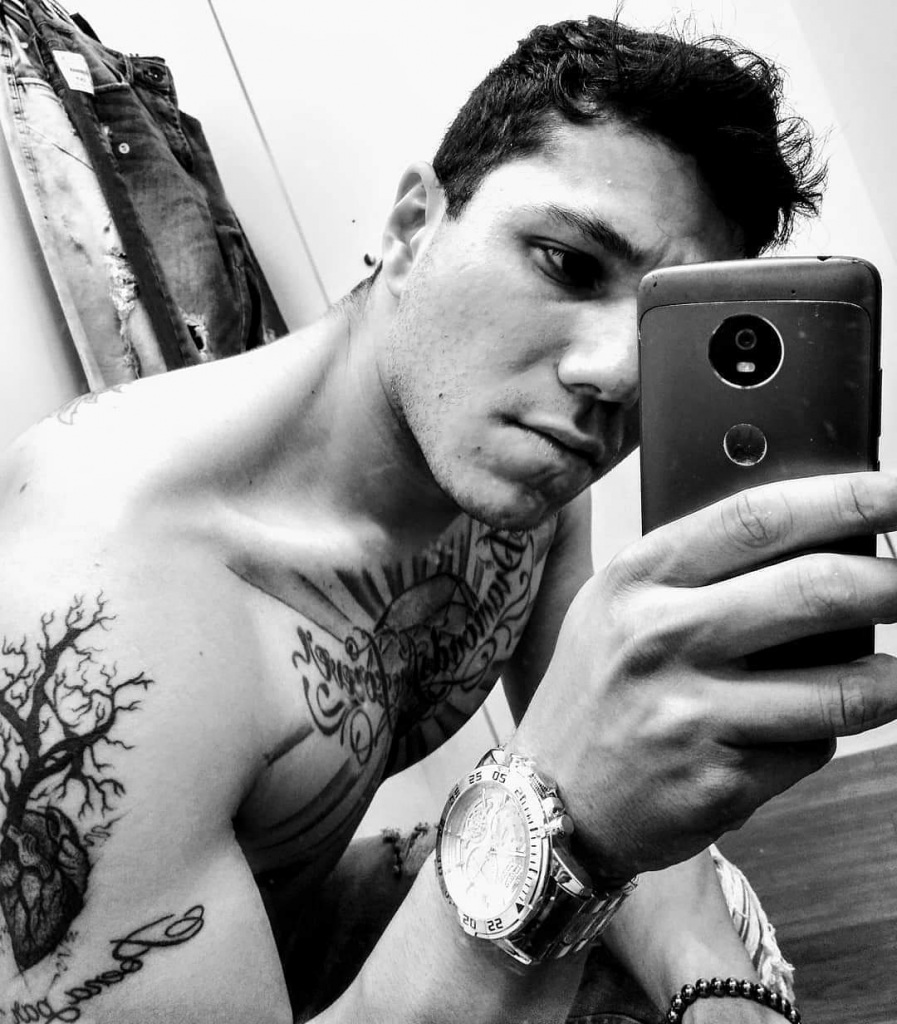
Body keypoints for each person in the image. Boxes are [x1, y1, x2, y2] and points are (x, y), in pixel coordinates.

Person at [0, 12, 894, 1024]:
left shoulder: (523, 475)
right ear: (410, 225)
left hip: (304, 939)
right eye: (566, 263)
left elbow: (613, 774)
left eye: (656, 324)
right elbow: (576, 801)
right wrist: (563, 816)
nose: (612, 373)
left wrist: (720, 993)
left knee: (714, 922)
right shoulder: (101, 605)